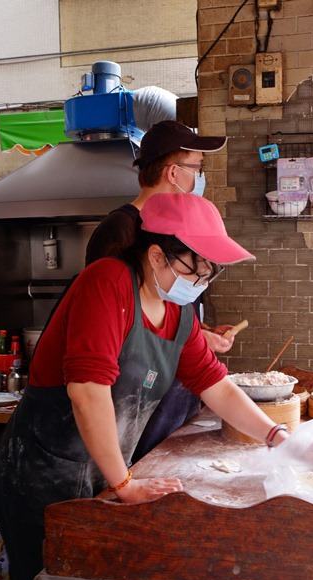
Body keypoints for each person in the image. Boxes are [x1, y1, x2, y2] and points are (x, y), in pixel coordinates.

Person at [0, 193, 289, 580]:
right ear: (157, 255)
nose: (203, 281)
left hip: (103, 474)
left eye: (211, 271)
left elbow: (215, 384)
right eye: (198, 268)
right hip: (45, 475)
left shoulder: (179, 314)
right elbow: (88, 392)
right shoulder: (107, 282)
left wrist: (275, 434)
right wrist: (126, 482)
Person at [86, 120, 233, 458]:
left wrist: (201, 333)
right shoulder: (120, 230)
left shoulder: (183, 224)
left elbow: (168, 308)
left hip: (177, 384)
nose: (199, 178)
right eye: (196, 168)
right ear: (172, 173)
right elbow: (114, 321)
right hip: (137, 395)